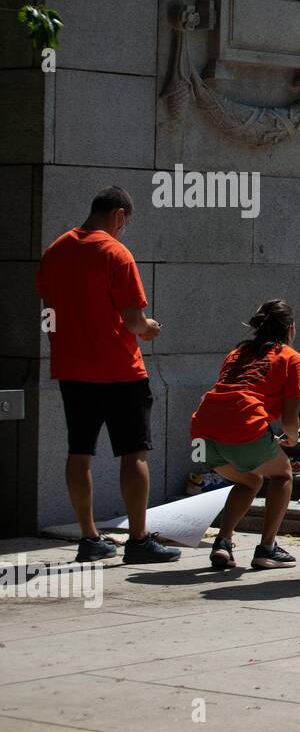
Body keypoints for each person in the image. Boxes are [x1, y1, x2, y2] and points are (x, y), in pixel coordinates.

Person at [34, 185, 179, 564]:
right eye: (124, 223)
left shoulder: (55, 251)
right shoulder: (116, 253)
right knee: (134, 453)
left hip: (73, 369)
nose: (122, 230)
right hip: (120, 371)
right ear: (118, 215)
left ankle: (89, 538)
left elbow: (49, 312)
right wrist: (150, 327)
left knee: (79, 452)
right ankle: (138, 539)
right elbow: (133, 322)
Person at [190, 301, 300, 570]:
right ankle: (267, 548)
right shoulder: (292, 359)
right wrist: (292, 438)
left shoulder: (238, 352)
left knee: (249, 481)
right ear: (291, 329)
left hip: (202, 434)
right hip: (245, 426)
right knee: (282, 475)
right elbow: (290, 419)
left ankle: (223, 542)